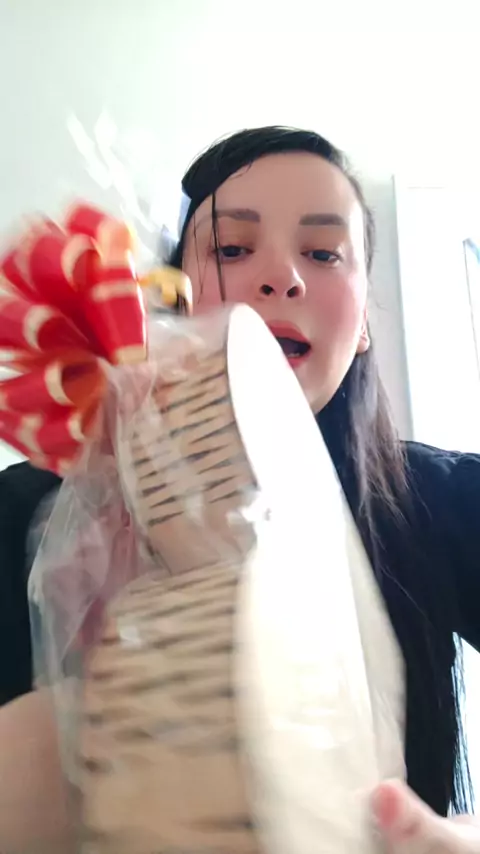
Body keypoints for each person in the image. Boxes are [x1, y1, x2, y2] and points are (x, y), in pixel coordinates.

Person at [0, 125, 479, 853]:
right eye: (230, 249)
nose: (281, 277)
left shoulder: (442, 501)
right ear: (168, 301)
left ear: (363, 326)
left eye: (323, 253)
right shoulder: (26, 515)